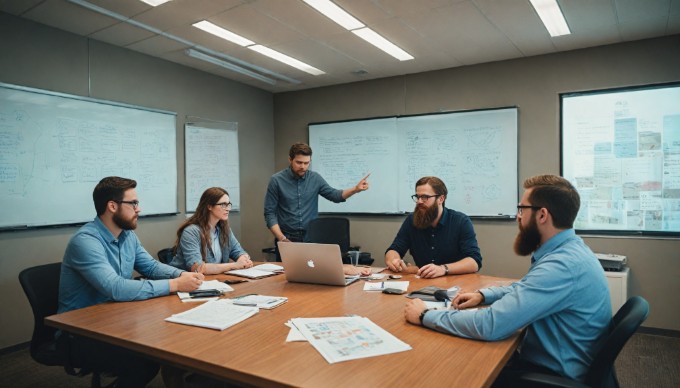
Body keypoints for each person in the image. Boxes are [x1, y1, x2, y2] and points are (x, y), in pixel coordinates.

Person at [403, 174, 612, 383]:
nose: (517, 216)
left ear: (542, 215)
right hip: (556, 360)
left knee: (451, 370)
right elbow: (526, 286)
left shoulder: (562, 266)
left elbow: (491, 325)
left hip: (550, 375)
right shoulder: (569, 250)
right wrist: (482, 295)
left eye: (522, 209)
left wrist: (424, 315)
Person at [58, 176, 204, 388]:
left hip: (116, 319)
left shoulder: (127, 236)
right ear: (112, 206)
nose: (139, 209)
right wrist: (175, 285)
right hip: (80, 333)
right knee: (146, 360)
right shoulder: (86, 241)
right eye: (133, 203)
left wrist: (180, 275)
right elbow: (115, 287)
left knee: (171, 339)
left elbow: (151, 267)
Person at [264, 142, 370, 260]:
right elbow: (269, 213)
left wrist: (355, 189)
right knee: (286, 276)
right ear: (290, 159)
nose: (303, 166)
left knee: (311, 275)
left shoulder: (315, 178)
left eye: (306, 163)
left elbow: (335, 196)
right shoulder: (276, 180)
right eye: (299, 162)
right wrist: (282, 238)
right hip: (286, 238)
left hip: (310, 238)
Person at [385, 176, 482, 278]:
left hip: (455, 282)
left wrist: (443, 269)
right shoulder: (412, 220)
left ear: (441, 199)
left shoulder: (461, 221)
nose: (419, 202)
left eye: (425, 197)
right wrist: (394, 261)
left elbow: (474, 262)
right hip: (423, 282)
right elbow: (394, 249)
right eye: (417, 197)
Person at [169, 187, 253, 273]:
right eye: (223, 205)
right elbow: (197, 268)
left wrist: (243, 259)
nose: (228, 208)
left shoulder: (224, 229)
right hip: (184, 281)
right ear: (209, 206)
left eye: (228, 204)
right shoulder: (191, 232)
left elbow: (238, 251)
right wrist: (234, 265)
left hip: (213, 280)